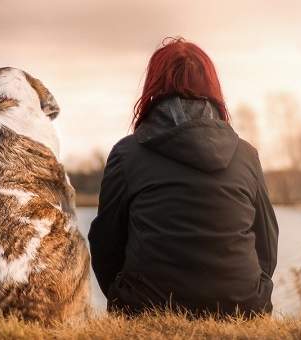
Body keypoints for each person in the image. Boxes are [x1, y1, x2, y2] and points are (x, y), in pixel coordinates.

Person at [88, 37, 279, 318]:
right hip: (243, 308)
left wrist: (124, 296)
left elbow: (105, 245)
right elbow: (267, 244)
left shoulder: (127, 154)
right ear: (212, 88)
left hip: (146, 308)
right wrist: (251, 293)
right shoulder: (246, 155)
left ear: (153, 87)